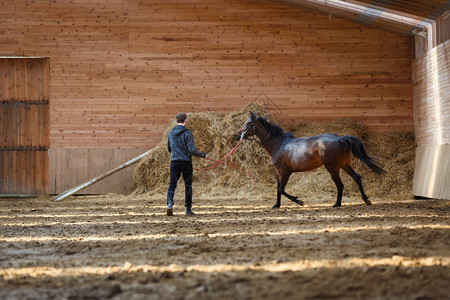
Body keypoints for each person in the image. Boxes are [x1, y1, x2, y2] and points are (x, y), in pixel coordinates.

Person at [166, 112, 206, 216]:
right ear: (185, 121)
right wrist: (202, 155)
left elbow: (169, 148)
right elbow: (191, 150)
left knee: (172, 184)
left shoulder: (170, 133)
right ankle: (188, 209)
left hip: (174, 162)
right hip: (186, 163)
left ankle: (170, 203)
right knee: (188, 185)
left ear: (176, 121)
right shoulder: (188, 133)